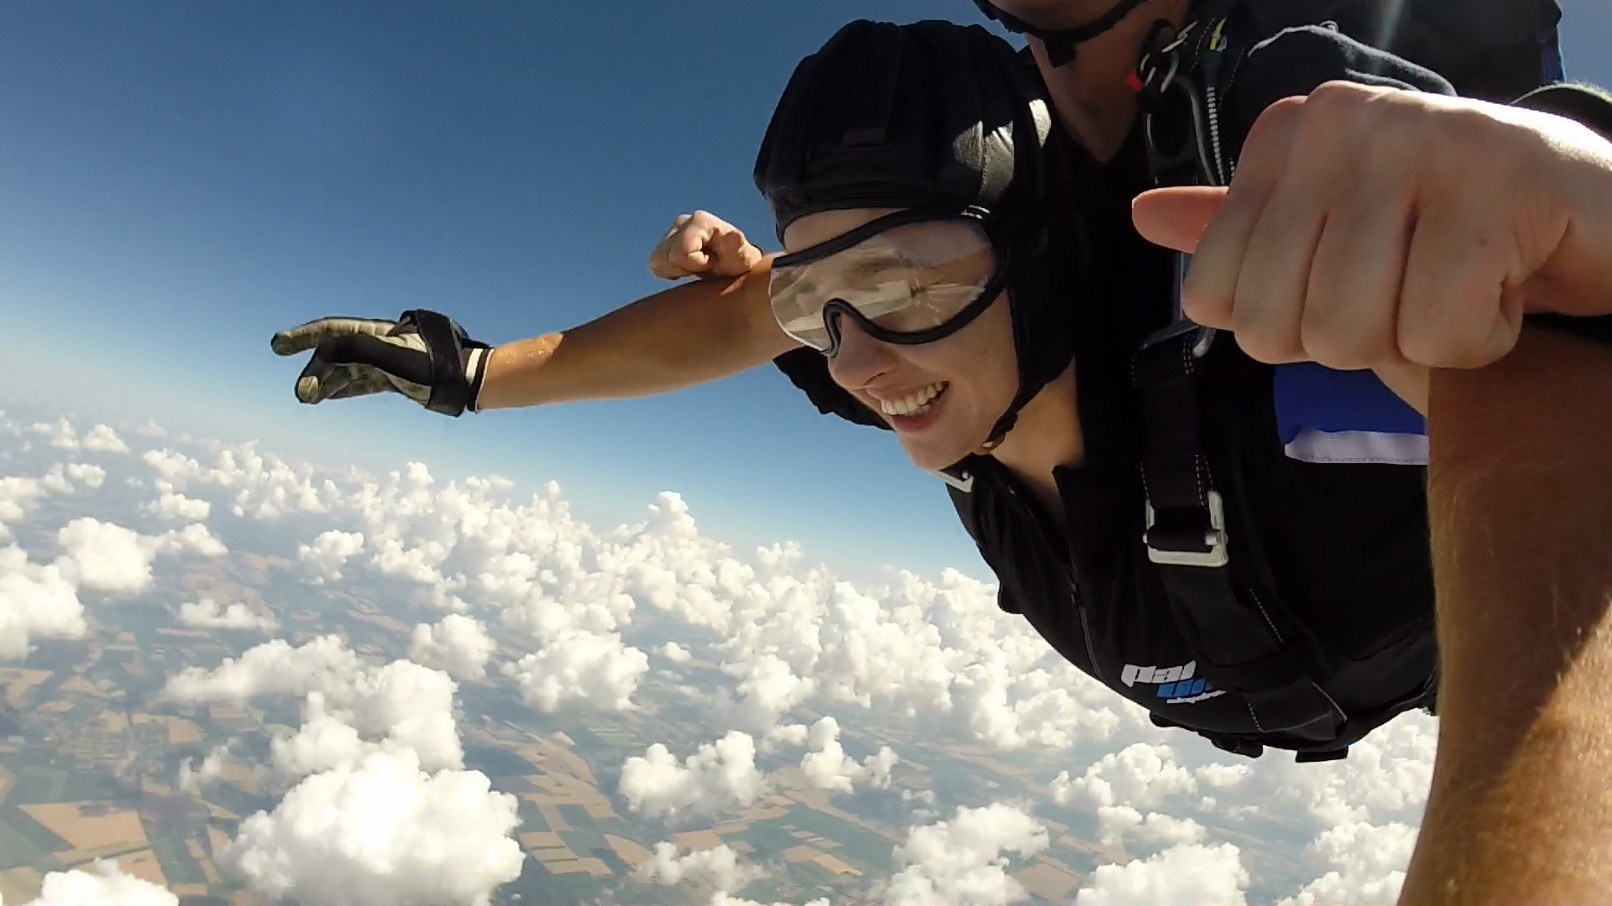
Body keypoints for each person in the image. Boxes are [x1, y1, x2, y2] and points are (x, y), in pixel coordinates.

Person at [271, 7, 1612, 903]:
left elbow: (1546, 398)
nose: (857, 360)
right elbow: (738, 319)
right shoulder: (943, 376)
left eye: (904, 285)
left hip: (1442, 651)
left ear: (1043, 259)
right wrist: (476, 375)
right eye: (822, 304)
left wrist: (1553, 250)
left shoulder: (1288, 393)